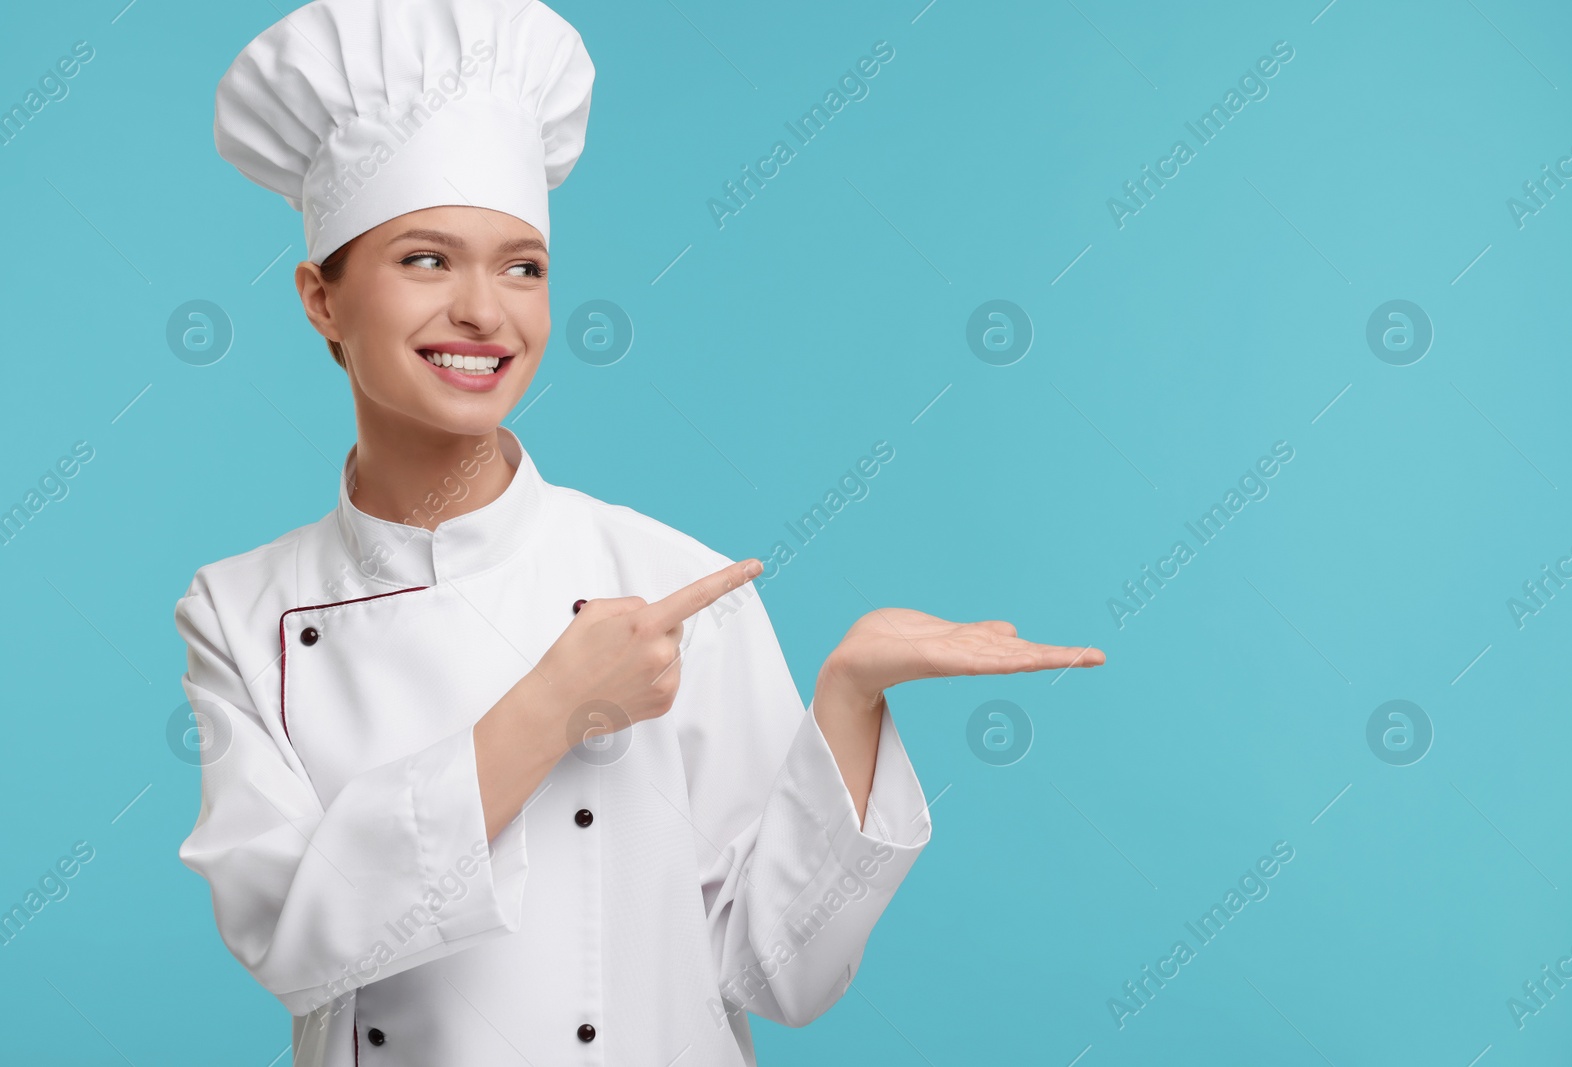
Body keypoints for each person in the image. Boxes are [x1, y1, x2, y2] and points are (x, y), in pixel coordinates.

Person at [177, 1, 1106, 1063]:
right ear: (321, 299)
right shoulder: (241, 609)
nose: (486, 311)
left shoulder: (672, 580)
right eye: (427, 260)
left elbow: (779, 972)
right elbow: (295, 936)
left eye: (522, 265)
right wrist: (556, 703)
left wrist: (847, 699)